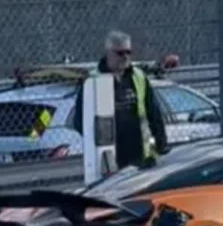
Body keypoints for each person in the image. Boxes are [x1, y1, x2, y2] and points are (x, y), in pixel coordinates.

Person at [71, 30, 169, 169]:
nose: (125, 57)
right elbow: (80, 122)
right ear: (108, 53)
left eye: (129, 52)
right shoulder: (93, 81)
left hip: (141, 156)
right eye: (120, 53)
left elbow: (154, 113)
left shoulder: (138, 76)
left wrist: (161, 144)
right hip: (109, 160)